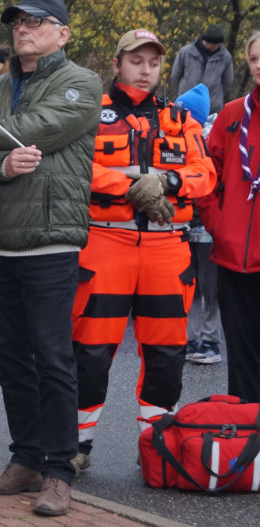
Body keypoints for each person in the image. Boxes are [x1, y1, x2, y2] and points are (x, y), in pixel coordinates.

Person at [0, 0, 101, 516]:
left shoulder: (82, 84)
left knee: (54, 360)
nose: (23, 28)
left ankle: (59, 471)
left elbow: (31, 131)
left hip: (48, 241)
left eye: (37, 21)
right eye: (17, 21)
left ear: (63, 34)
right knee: (11, 358)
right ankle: (26, 458)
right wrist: (1, 166)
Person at [69, 30, 216, 475]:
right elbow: (77, 166)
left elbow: (205, 174)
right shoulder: (91, 114)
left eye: (153, 62)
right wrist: (131, 187)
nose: (146, 69)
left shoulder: (179, 118)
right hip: (104, 243)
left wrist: (170, 183)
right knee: (91, 352)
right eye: (137, 61)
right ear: (118, 64)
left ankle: (155, 446)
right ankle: (77, 446)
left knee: (167, 354)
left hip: (167, 250)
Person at [199, 29, 260, 403]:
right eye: (254, 59)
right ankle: (248, 443)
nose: (259, 67)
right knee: (242, 358)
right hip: (235, 257)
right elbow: (206, 173)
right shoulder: (234, 113)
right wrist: (218, 225)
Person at [174, 84, 223, 365]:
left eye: (182, 110)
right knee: (189, 284)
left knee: (210, 288)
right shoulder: (175, 138)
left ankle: (211, 342)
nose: (176, 114)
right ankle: (189, 339)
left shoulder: (207, 142)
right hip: (184, 227)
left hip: (207, 229)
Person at [169, 24, 234, 115]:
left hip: (211, 108)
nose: (217, 46)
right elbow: (175, 75)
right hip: (186, 105)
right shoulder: (186, 52)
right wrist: (183, 93)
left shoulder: (226, 57)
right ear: (207, 41)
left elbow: (227, 83)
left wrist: (215, 97)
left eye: (219, 44)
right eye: (215, 44)